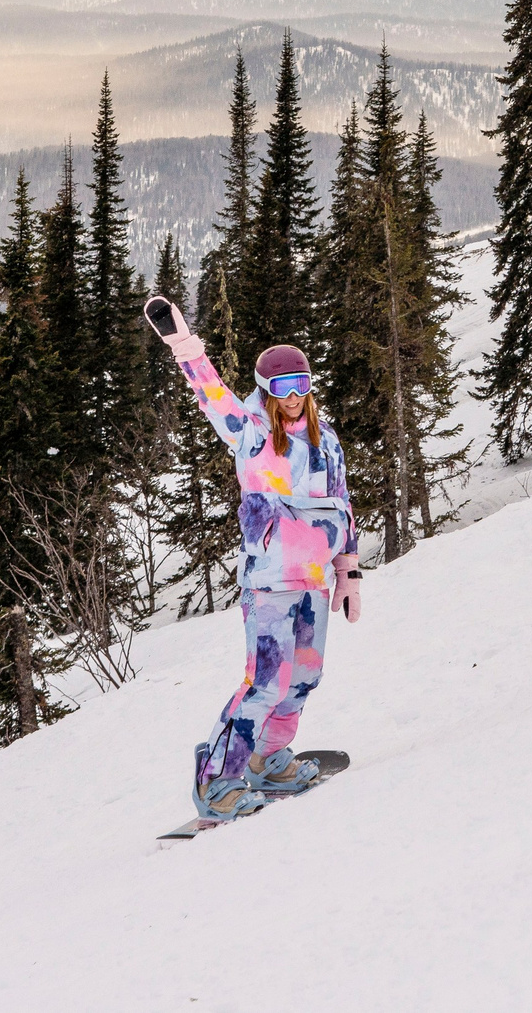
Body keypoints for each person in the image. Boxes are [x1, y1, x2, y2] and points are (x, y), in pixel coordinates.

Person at [143, 296, 362, 822]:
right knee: (265, 682)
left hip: (313, 581)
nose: (293, 397)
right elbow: (211, 394)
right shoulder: (252, 432)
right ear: (266, 392)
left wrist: (348, 571)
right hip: (269, 580)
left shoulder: (325, 439)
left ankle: (270, 761)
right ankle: (217, 782)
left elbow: (342, 503)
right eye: (282, 389)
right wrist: (183, 344)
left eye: (301, 386)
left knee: (304, 679)